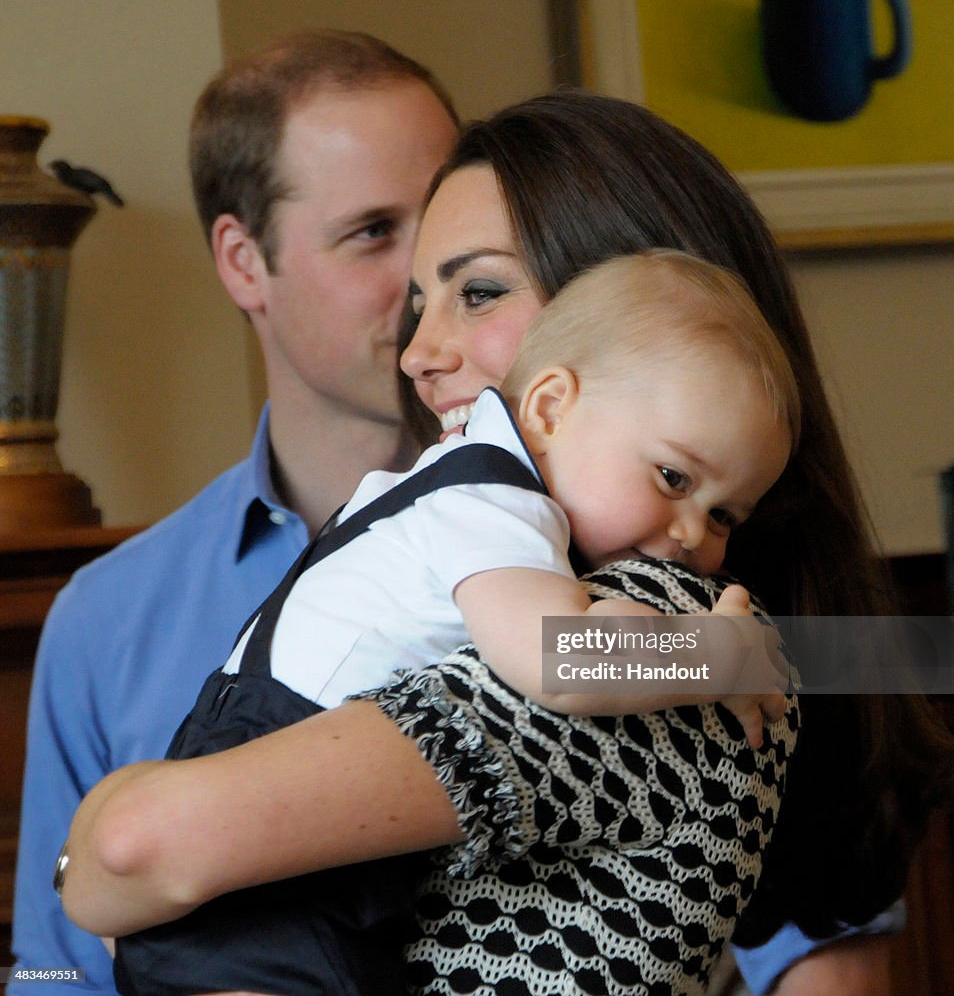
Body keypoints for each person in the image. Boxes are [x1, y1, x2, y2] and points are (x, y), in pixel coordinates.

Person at [58, 93, 953, 995]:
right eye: (421, 297)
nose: (416, 351)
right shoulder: (495, 518)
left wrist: (97, 851)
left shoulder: (659, 616)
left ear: (636, 303)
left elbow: (136, 847)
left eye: (477, 290)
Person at [111, 249, 798, 995]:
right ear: (550, 408)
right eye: (673, 477)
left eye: (724, 514)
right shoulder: (491, 501)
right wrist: (710, 656)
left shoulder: (462, 489)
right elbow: (557, 659)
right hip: (277, 790)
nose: (693, 534)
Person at [10, 28, 460, 996]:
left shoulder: (595, 521)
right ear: (244, 262)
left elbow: (812, 917)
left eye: (449, 217)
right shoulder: (106, 619)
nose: (432, 278)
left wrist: (741, 654)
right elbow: (56, 974)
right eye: (374, 231)